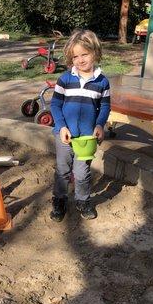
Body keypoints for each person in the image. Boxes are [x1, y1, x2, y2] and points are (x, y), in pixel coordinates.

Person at [49, 29, 110, 221]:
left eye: (85, 54)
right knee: (62, 170)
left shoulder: (102, 81)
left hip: (86, 138)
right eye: (75, 56)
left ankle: (83, 200)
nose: (80, 60)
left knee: (82, 173)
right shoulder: (65, 79)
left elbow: (105, 106)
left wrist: (100, 125)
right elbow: (55, 104)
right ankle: (59, 200)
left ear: (95, 52)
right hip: (65, 135)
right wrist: (61, 126)